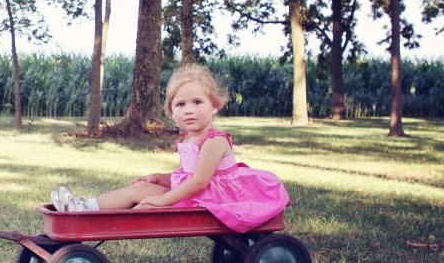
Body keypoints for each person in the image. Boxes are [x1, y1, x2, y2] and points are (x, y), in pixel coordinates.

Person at [51, 64, 289, 233]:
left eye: (197, 102)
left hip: (214, 199)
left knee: (145, 203)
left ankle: (93, 220)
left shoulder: (214, 141)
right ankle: (85, 207)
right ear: (172, 112)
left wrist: (163, 201)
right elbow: (186, 174)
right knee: (141, 187)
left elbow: (199, 182)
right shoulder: (187, 138)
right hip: (197, 193)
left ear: (214, 106)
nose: (189, 110)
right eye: (181, 104)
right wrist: (160, 178)